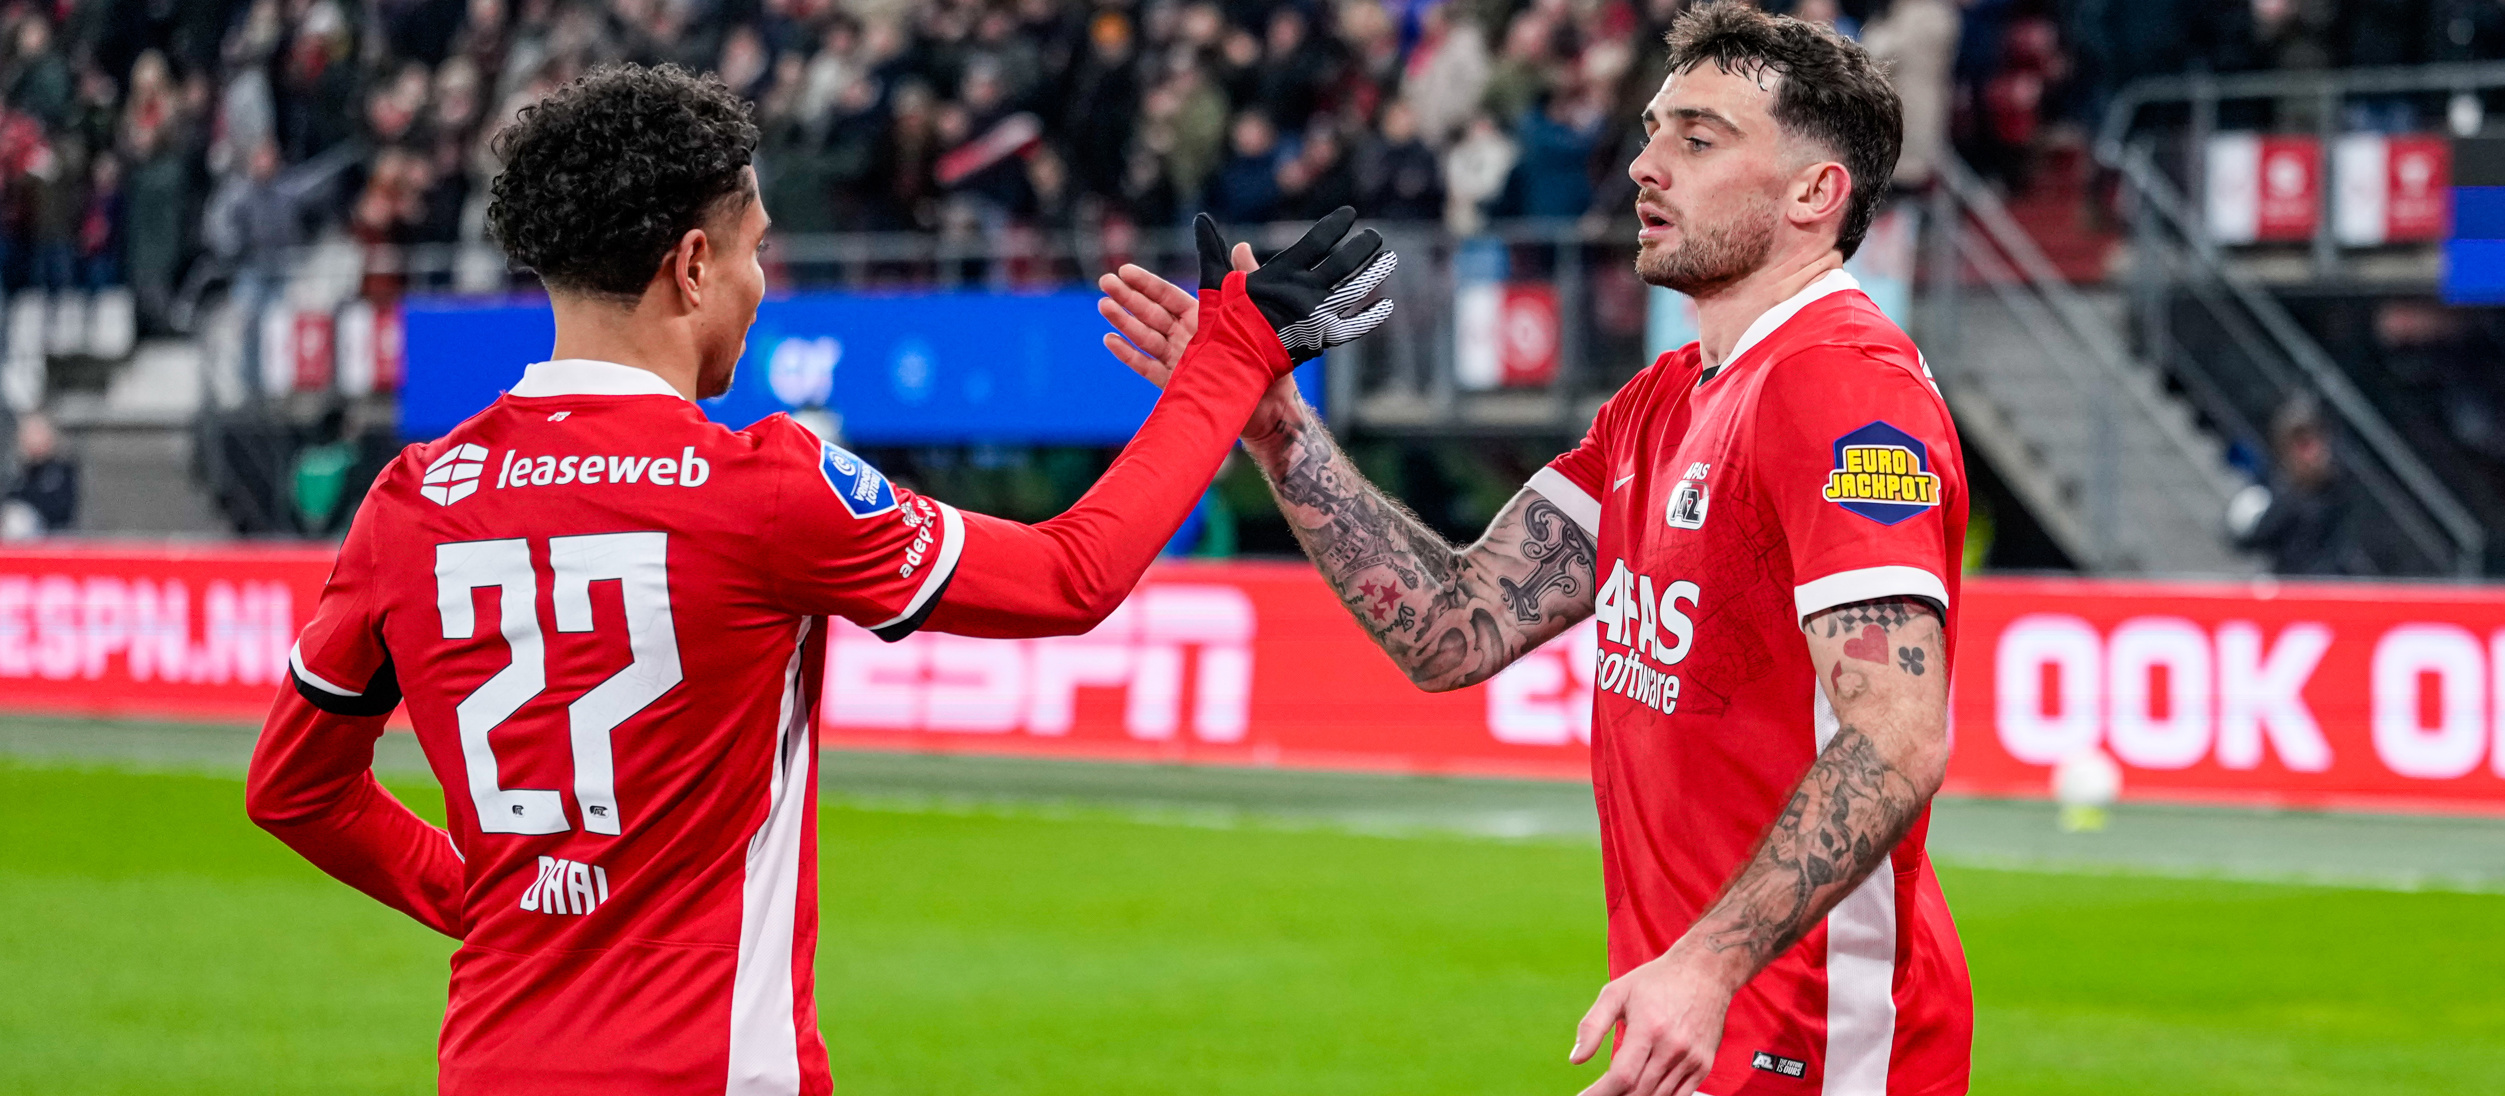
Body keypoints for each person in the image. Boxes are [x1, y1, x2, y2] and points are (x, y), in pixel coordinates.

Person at [244, 64, 1394, 1093]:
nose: (761, 283)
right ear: (692, 265)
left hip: (490, 1064)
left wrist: (498, 903)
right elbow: (1070, 575)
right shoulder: (760, 487)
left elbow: (294, 790)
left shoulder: (413, 499)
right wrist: (1230, 363)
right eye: (754, 250)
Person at [1099, 5, 1971, 1094]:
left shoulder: (1843, 387)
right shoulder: (1663, 399)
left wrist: (1705, 965)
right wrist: (1278, 428)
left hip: (1820, 1043)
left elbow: (1896, 736)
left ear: (1813, 194)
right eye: (1653, 130)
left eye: (1699, 139)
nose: (1646, 165)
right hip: (1691, 1028)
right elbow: (1454, 627)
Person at [2227, 394, 2355, 575]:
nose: (2312, 452)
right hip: (2289, 582)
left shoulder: (2338, 489)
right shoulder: (2279, 490)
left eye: (2315, 442)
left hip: (2324, 582)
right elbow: (2252, 539)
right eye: (2303, 445)